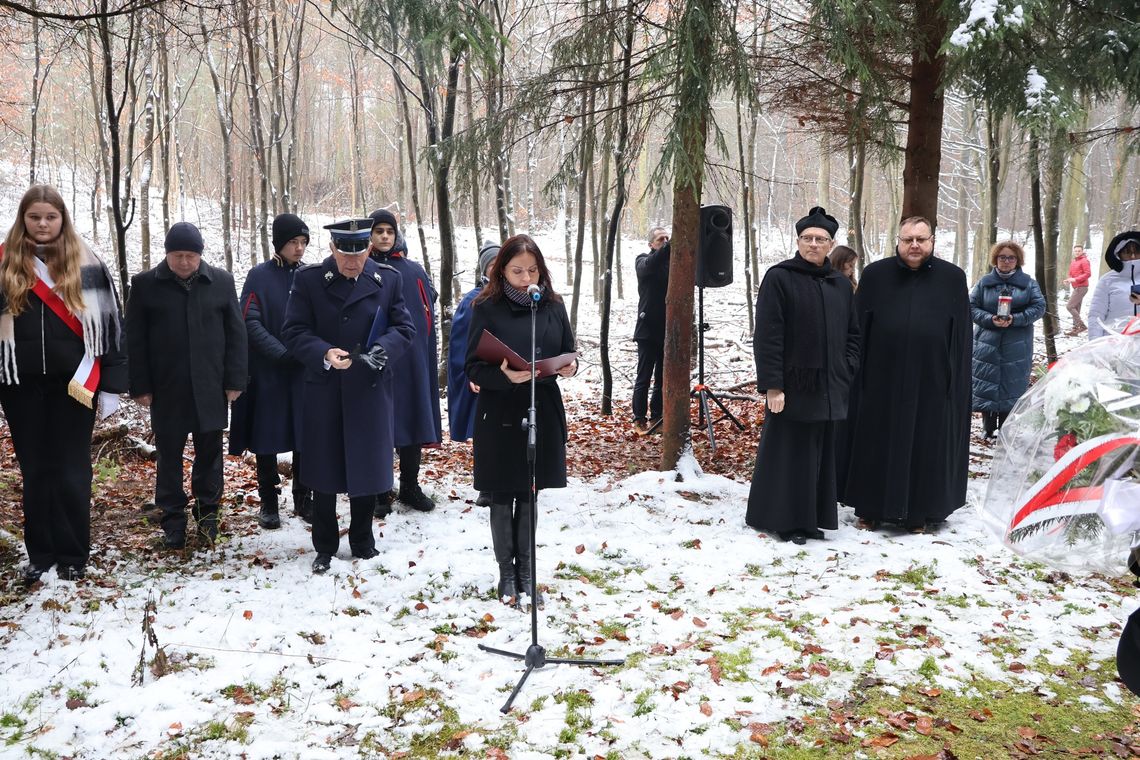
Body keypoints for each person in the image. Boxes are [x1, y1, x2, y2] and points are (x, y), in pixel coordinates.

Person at [0, 185, 127, 583]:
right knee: (35, 471)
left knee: (72, 471)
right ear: (23, 219)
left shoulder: (88, 263)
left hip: (75, 385)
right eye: (34, 217)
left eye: (50, 217)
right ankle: (41, 553)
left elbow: (111, 328)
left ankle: (73, 553)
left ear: (62, 219)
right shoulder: (4, 264)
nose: (42, 224)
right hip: (19, 387)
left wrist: (111, 387)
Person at [281, 218, 415, 574]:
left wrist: (383, 351)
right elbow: (293, 330)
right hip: (324, 389)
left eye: (359, 253)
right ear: (332, 249)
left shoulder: (388, 280)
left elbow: (404, 327)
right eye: (344, 253)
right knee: (324, 469)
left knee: (365, 467)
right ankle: (324, 544)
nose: (352, 261)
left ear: (369, 249)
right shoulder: (309, 280)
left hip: (369, 390)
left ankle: (362, 540)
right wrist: (324, 353)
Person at [465, 234, 576, 605]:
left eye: (532, 270)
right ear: (502, 271)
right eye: (517, 271)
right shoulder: (486, 307)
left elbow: (567, 350)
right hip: (499, 410)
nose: (526, 278)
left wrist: (569, 367)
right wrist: (504, 376)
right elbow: (472, 367)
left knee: (530, 491)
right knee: (502, 492)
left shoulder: (553, 306)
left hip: (540, 405)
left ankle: (528, 573)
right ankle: (506, 576)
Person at [841, 216, 971, 533]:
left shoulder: (952, 278)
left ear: (932, 242)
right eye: (908, 239)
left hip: (932, 379)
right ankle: (870, 510)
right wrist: (855, 377)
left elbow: (962, 336)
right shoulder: (875, 275)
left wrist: (955, 384)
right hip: (880, 377)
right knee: (876, 441)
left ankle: (921, 514)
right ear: (898, 241)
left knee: (926, 443)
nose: (914, 245)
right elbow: (856, 330)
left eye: (921, 239)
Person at [127, 222, 247, 549]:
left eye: (190, 256)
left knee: (210, 454)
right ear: (167, 255)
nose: (183, 262)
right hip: (167, 388)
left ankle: (208, 514)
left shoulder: (220, 282)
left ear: (200, 255)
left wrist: (235, 380)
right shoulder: (145, 285)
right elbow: (134, 340)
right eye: (177, 255)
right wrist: (140, 385)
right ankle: (172, 521)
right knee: (169, 456)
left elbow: (237, 335)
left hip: (210, 386)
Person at [746, 207, 859, 544]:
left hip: (829, 387)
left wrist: (847, 367)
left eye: (820, 239)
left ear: (831, 244)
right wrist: (772, 385)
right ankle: (785, 520)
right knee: (790, 453)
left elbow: (853, 334)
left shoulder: (839, 284)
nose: (813, 244)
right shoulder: (780, 277)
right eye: (808, 238)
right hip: (793, 387)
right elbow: (768, 334)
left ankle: (814, 519)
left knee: (821, 456)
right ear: (798, 241)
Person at [229, 213, 313, 528]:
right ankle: (268, 501)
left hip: (303, 372)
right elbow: (249, 320)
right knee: (266, 436)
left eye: (304, 242)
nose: (300, 248)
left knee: (305, 435)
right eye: (294, 242)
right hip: (268, 372)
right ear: (279, 243)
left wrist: (307, 352)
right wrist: (280, 353)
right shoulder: (259, 277)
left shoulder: (311, 275)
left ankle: (304, 498)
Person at [367, 208, 441, 514]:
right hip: (375, 359)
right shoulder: (362, 267)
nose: (385, 236)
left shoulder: (413, 270)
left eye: (389, 231)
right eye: (379, 231)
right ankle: (378, 489)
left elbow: (427, 311)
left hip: (411, 359)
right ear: (369, 235)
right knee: (378, 423)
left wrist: (423, 355)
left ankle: (410, 485)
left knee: (411, 419)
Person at [969, 241, 1046, 439]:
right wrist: (990, 319)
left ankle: (1005, 427)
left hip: (1017, 343)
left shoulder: (1028, 283)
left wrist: (1016, 319)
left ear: (1017, 260)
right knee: (987, 382)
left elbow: (1039, 307)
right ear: (995, 259)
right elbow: (971, 307)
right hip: (987, 341)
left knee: (1011, 384)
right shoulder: (984, 283)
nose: (1006, 261)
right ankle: (987, 427)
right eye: (1002, 257)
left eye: (1011, 257)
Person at [447, 241, 499, 507]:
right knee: (486, 434)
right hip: (485, 377)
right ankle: (487, 487)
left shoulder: (524, 299)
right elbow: (460, 344)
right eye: (491, 265)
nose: (495, 269)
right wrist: (470, 374)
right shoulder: (473, 301)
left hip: (513, 378)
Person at [632, 227, 670, 434]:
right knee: (643, 377)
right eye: (660, 239)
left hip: (667, 330)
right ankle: (639, 418)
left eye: (667, 238)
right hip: (647, 330)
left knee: (662, 378)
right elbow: (650, 265)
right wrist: (671, 246)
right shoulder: (643, 260)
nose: (664, 242)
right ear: (651, 244)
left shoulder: (671, 265)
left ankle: (657, 416)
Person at [1087, 231, 1140, 340]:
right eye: (1127, 252)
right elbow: (1096, 315)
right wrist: (1095, 344)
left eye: (1137, 251)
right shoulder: (1107, 281)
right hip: (1114, 344)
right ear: (1118, 254)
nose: (1133, 256)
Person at [1064, 244, 1091, 335]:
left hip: (1082, 287)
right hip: (1076, 287)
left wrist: (1075, 279)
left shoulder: (1084, 261)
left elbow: (1088, 274)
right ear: (1073, 251)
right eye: (1075, 251)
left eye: (1079, 251)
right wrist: (1069, 280)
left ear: (1082, 251)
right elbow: (1072, 274)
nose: (1077, 252)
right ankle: (1075, 330)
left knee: (1069, 306)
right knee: (1076, 308)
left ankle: (1082, 326)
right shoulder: (1073, 261)